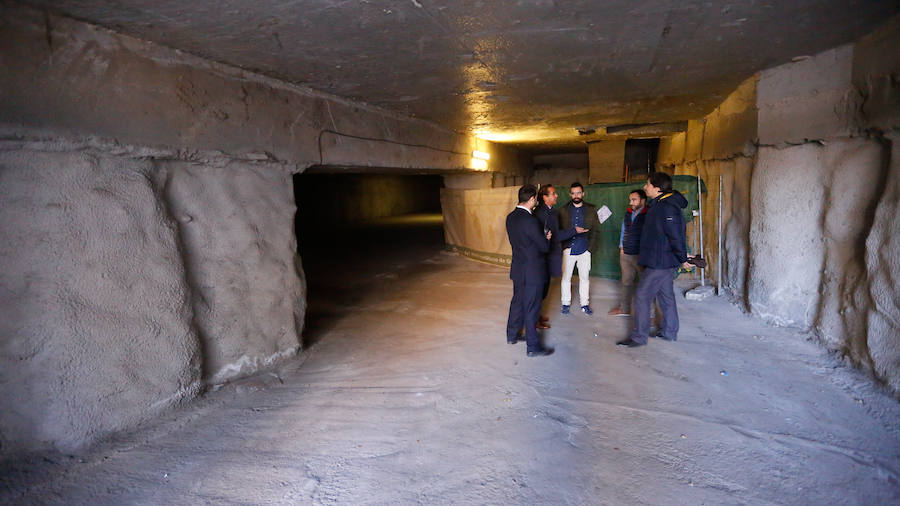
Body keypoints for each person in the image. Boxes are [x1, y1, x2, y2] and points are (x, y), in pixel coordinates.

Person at [617, 173, 692, 347]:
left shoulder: (667, 207)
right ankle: (669, 331)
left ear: (658, 188)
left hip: (660, 261)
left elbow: (675, 235)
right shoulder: (659, 204)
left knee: (642, 296)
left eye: (648, 184)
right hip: (660, 258)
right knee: (666, 296)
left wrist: (683, 257)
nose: (645, 187)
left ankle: (639, 337)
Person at [506, 185, 554, 357]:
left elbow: (522, 242)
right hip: (533, 271)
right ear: (533, 199)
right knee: (532, 308)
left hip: (518, 269)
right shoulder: (531, 220)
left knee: (517, 302)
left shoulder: (510, 217)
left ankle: (512, 335)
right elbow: (542, 247)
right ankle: (533, 347)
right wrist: (546, 239)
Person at [534, 185, 584, 326]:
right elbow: (553, 236)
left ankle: (537, 315)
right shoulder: (540, 214)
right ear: (545, 197)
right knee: (540, 289)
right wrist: (574, 230)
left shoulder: (552, 212)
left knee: (544, 288)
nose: (556, 195)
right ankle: (534, 319)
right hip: (544, 257)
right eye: (553, 193)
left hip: (551, 255)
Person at [558, 182, 600, 316]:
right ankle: (565, 304)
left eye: (578, 193)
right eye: (573, 193)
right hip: (568, 249)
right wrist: (562, 247)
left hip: (584, 249)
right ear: (570, 194)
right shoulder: (563, 210)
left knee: (584, 278)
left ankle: (584, 304)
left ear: (583, 194)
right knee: (565, 278)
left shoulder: (591, 209)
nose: (576, 195)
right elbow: (559, 231)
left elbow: (596, 231)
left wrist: (590, 249)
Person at [608, 189, 647, 317]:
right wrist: (621, 248)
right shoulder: (628, 213)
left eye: (634, 200)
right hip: (626, 254)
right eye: (630, 200)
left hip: (642, 255)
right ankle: (624, 309)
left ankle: (650, 315)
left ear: (643, 200)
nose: (631, 202)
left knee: (647, 285)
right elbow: (624, 230)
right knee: (626, 282)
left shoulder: (649, 213)